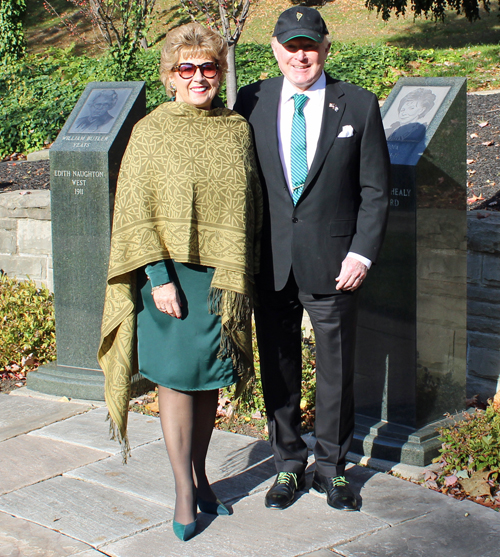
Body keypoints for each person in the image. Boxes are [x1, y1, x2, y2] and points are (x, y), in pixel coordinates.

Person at [98, 23, 262, 542]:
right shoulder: (150, 130)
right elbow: (135, 207)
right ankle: (183, 492)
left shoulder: (237, 128)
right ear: (169, 77)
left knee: (210, 379)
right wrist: (158, 278)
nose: (198, 77)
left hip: (223, 277)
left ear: (221, 72)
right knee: (175, 381)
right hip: (169, 279)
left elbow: (252, 201)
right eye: (185, 69)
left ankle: (201, 475)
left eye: (208, 67)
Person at [234, 6, 390, 512]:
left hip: (336, 264)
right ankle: (287, 464)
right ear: (275, 50)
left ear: (326, 48)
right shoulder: (250, 101)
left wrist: (362, 253)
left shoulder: (360, 105)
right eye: (290, 45)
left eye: (310, 45)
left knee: (336, 370)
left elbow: (375, 191)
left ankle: (332, 468)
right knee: (277, 368)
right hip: (271, 262)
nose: (301, 55)